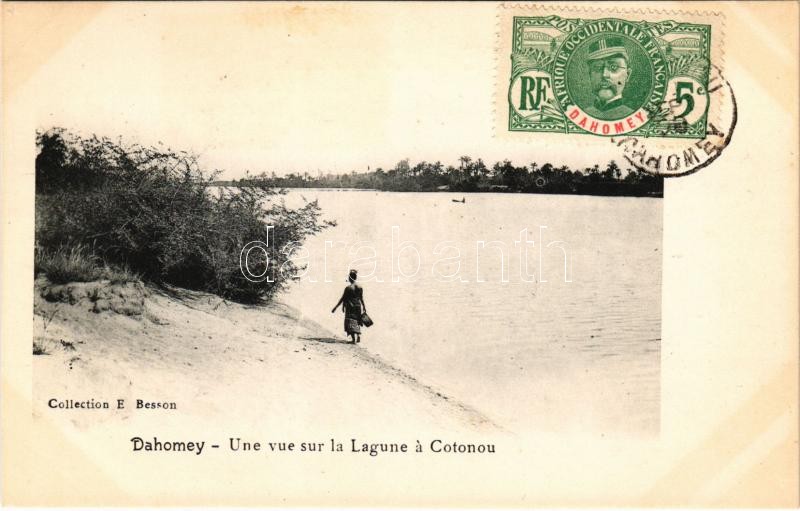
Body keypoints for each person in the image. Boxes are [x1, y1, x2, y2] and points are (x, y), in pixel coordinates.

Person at [584, 37, 635, 120]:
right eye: (597, 68)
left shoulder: (634, 117)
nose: (604, 75)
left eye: (613, 67)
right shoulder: (582, 114)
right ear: (590, 75)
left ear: (627, 75)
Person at [331, 269, 367, 344]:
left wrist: (335, 307)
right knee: (357, 321)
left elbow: (343, 298)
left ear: (350, 278)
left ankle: (353, 339)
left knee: (350, 322)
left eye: (349, 277)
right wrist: (364, 307)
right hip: (357, 306)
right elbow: (361, 298)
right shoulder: (360, 287)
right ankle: (358, 335)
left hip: (350, 306)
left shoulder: (348, 288)